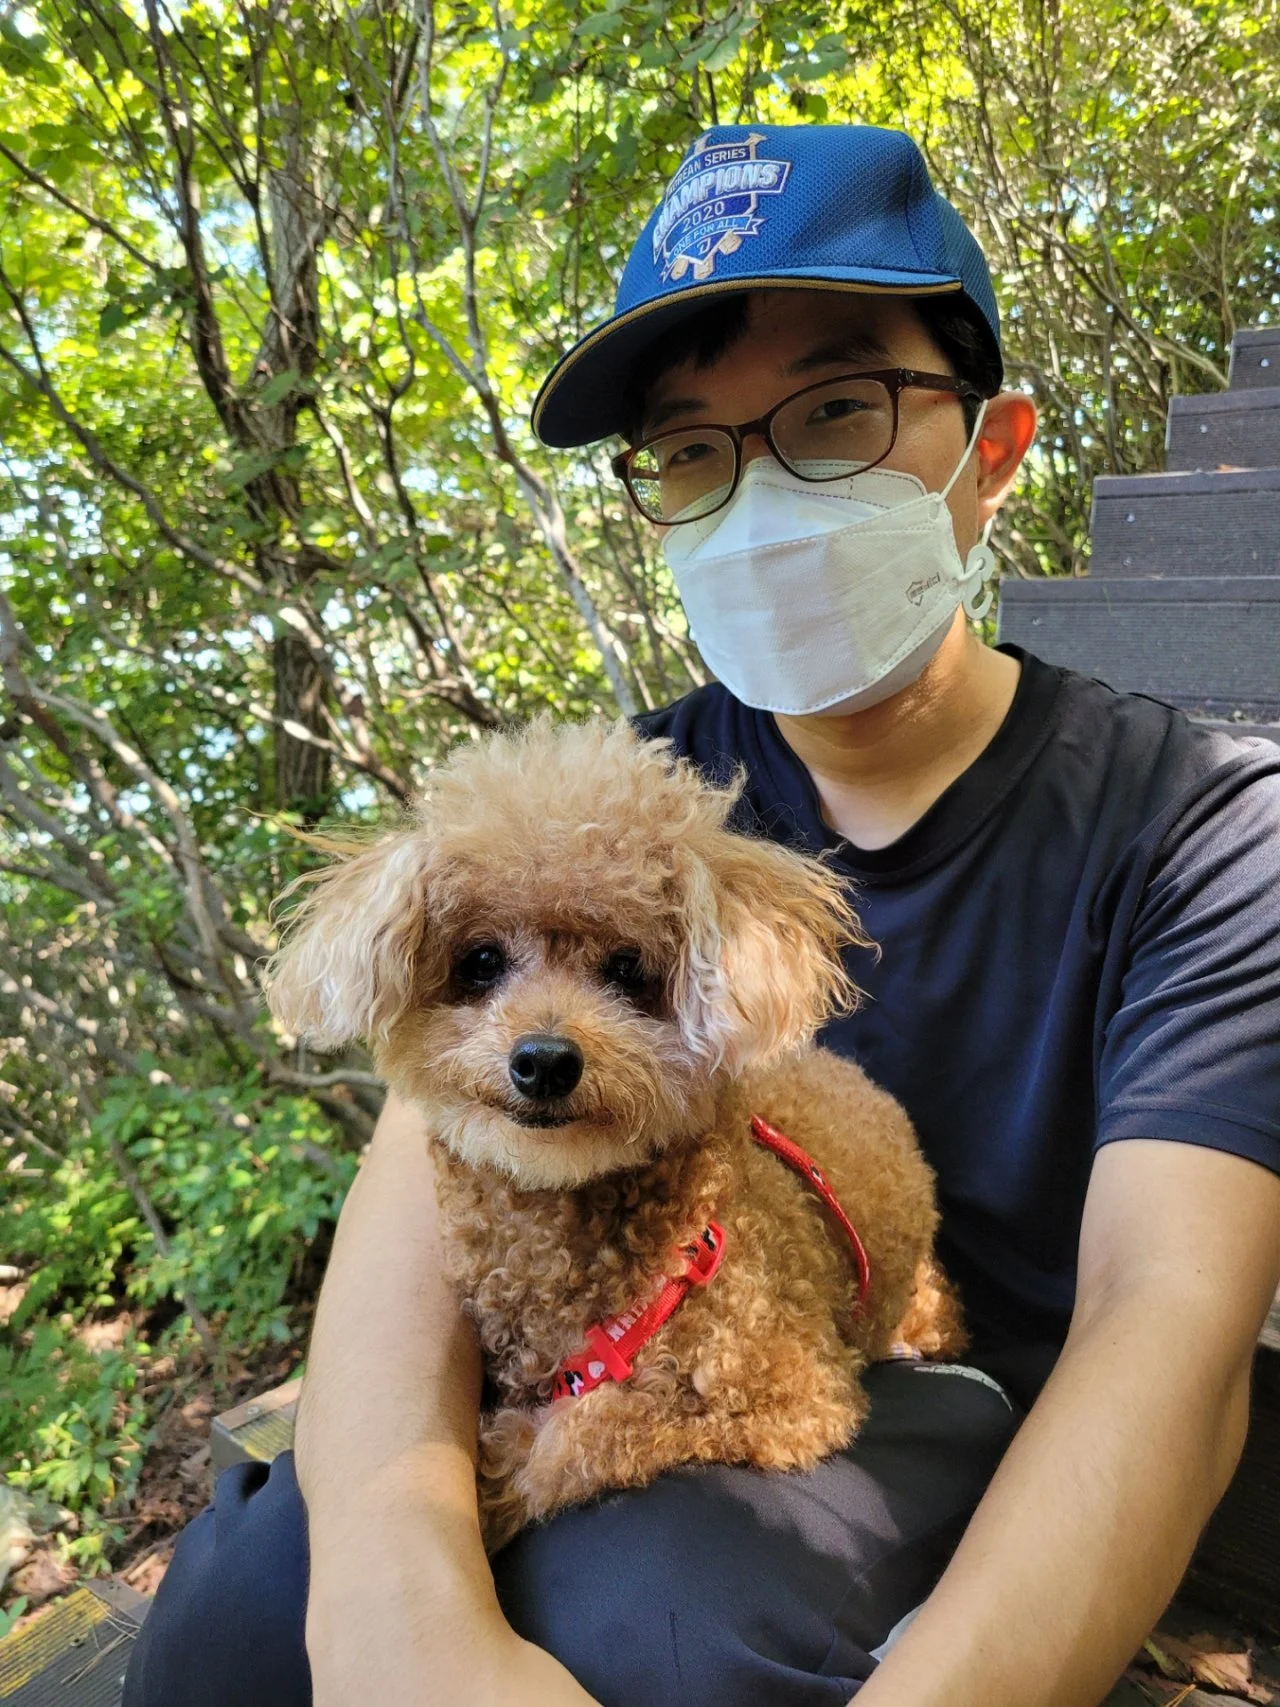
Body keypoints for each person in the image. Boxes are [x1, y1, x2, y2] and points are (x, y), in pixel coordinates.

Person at [124, 124, 1280, 1707]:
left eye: (837, 409)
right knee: (239, 1594)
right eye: (689, 449)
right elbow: (425, 1181)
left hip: (934, 1382)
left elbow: (1172, 1331)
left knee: (658, 1607)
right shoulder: (625, 795)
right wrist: (399, 1610)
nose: (764, 495)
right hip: (612, 1340)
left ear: (992, 447)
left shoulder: (1198, 830)